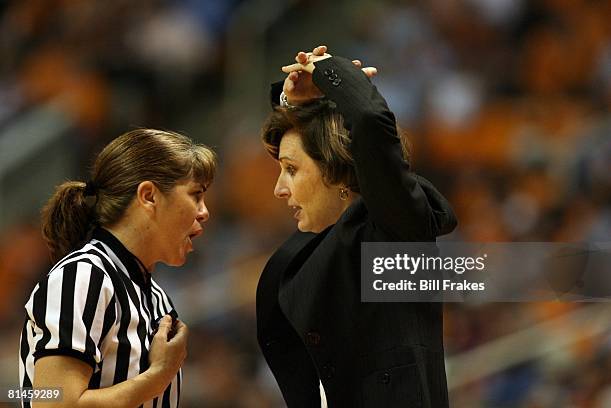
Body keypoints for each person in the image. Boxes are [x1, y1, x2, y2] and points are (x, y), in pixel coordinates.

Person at [256, 46, 457, 407]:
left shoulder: (394, 231)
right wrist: (291, 100)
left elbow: (367, 119)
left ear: (336, 167)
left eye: (292, 169)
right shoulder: (319, 246)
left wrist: (330, 72)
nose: (279, 189)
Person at [19, 128, 216, 408]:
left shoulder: (156, 297)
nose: (204, 211)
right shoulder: (84, 276)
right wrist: (158, 376)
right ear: (148, 196)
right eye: (196, 194)